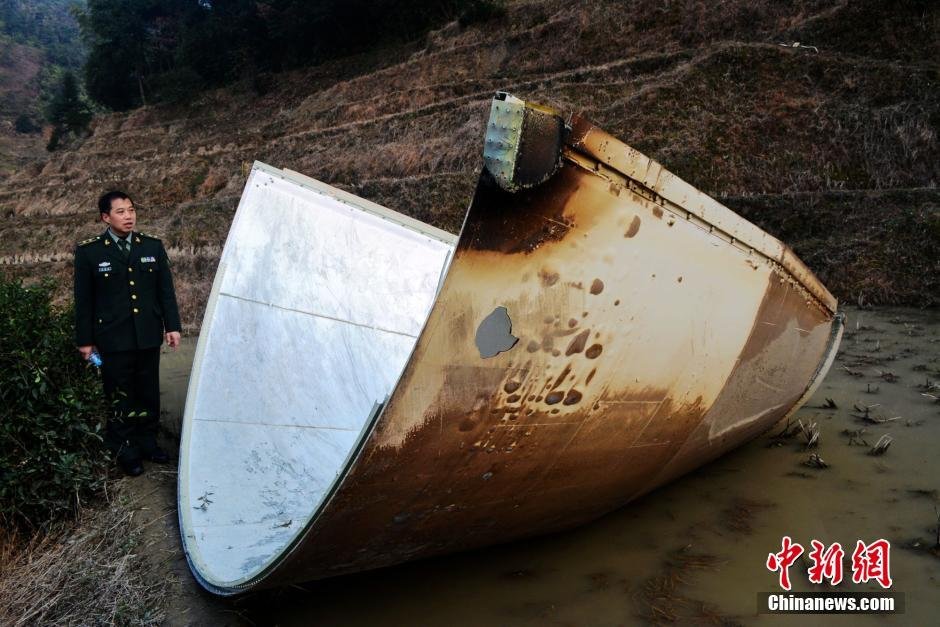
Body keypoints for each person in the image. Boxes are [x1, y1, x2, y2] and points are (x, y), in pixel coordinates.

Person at [73, 190, 182, 476]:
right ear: (105, 217)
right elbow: (83, 300)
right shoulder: (90, 252)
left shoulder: (152, 247)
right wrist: (85, 341)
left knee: (147, 393)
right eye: (120, 211)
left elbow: (165, 292)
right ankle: (126, 449)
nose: (128, 216)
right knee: (120, 394)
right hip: (113, 337)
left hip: (147, 333)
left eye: (131, 210)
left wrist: (172, 326)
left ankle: (148, 442)